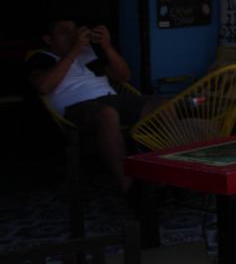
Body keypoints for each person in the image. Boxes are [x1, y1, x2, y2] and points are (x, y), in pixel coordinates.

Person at [28, 18, 161, 193]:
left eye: (74, 31)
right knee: (107, 113)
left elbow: (124, 77)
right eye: (65, 33)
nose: (73, 36)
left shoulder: (89, 53)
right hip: (75, 106)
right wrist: (74, 51)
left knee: (161, 105)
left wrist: (107, 47)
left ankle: (165, 174)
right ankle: (130, 187)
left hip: (110, 99)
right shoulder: (41, 57)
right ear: (48, 39)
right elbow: (43, 86)